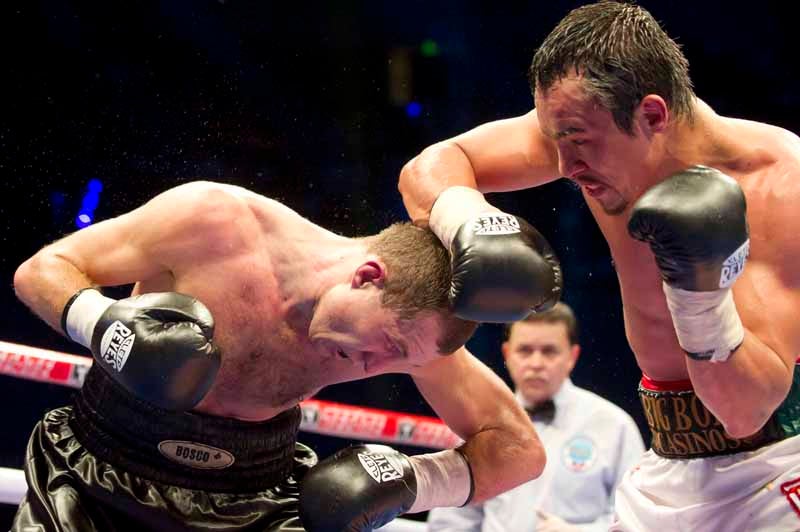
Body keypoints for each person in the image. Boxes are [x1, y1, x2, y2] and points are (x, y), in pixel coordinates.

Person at [398, 2, 800, 530]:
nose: (565, 167)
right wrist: (469, 221)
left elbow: (746, 411)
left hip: (775, 469)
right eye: (556, 142)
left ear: (652, 116)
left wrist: (697, 292)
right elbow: (430, 166)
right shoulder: (580, 128)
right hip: (667, 466)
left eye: (579, 143)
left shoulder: (779, 185)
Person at [12, 180, 562, 531]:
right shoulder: (216, 224)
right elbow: (42, 271)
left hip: (250, 495)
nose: (374, 366)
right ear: (368, 276)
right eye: (388, 346)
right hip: (100, 465)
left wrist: (416, 480)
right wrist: (108, 328)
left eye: (400, 360)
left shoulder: (416, 337)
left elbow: (518, 451)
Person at [427, 303, 644, 532]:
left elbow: (638, 518)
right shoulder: (478, 423)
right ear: (507, 354)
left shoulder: (614, 426)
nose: (536, 363)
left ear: (572, 357)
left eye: (549, 351)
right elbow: (451, 519)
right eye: (525, 350)